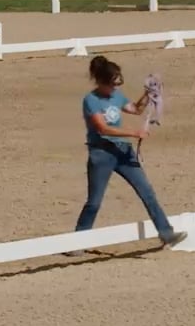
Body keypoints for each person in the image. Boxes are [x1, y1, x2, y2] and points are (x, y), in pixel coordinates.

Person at [76, 55, 187, 245]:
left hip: (123, 151)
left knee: (147, 192)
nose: (116, 88)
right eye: (112, 84)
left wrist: (147, 95)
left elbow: (135, 109)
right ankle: (77, 241)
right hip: (101, 154)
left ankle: (166, 232)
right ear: (102, 81)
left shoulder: (117, 96)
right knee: (94, 201)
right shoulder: (91, 100)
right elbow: (102, 128)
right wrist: (134, 132)